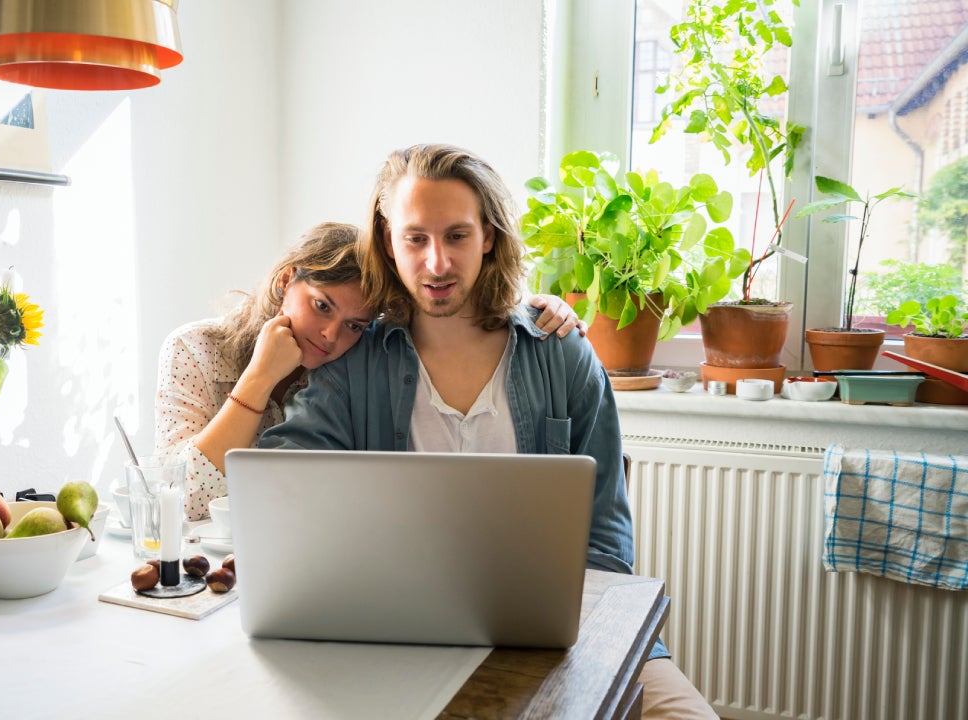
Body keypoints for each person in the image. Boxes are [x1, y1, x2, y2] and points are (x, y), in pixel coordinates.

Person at [258, 145, 717, 719]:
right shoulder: (356, 364)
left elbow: (605, 542)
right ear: (387, 240)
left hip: (569, 634)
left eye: (456, 236)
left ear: (489, 237)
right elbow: (281, 485)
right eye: (415, 239)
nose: (437, 265)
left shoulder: (562, 353)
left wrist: (564, 639)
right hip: (400, 637)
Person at [154, 222, 584, 521]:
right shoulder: (195, 351)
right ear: (286, 282)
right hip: (197, 566)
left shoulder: (351, 369)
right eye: (321, 306)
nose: (328, 335)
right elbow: (180, 498)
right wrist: (259, 379)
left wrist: (530, 306)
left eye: (354, 325)